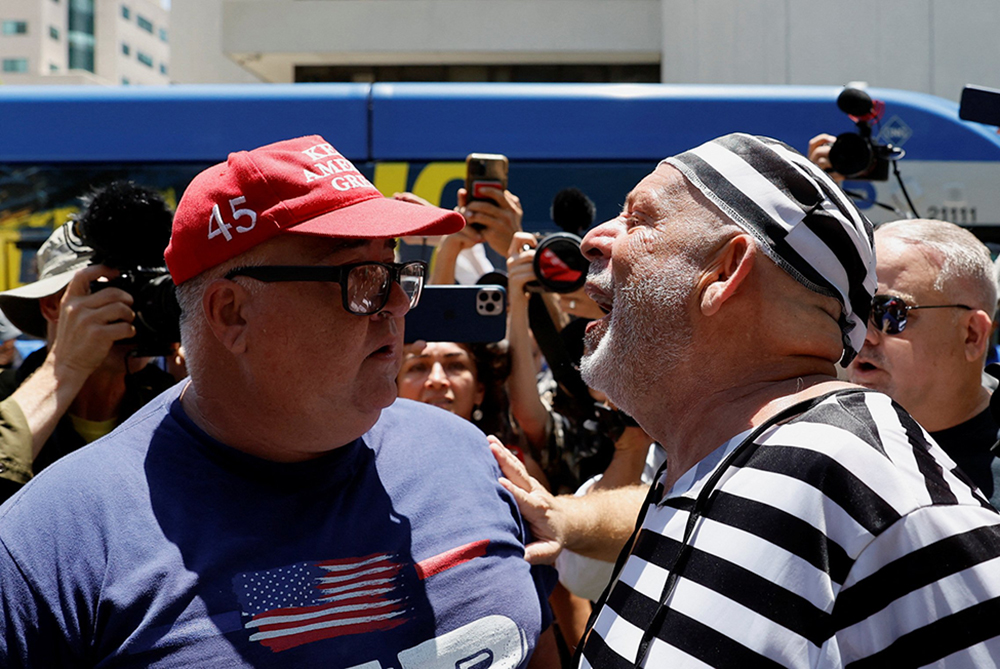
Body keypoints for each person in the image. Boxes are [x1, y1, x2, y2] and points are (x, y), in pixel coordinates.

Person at [0, 135, 552, 668]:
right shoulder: (51, 547)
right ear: (231, 313)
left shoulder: (471, 456)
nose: (396, 308)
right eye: (361, 279)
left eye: (399, 274)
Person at [492, 133, 1000, 667]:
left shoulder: (874, 489)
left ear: (725, 271)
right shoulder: (703, 465)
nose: (593, 241)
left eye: (639, 219)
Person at [0, 206, 177, 504]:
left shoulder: (175, 401)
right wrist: (65, 367)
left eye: (147, 288)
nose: (132, 306)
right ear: (52, 305)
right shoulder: (7, 395)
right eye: (116, 287)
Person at [847, 219, 1000, 506]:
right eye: (853, 309)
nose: (863, 335)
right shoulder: (816, 442)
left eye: (890, 312)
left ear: (972, 335)